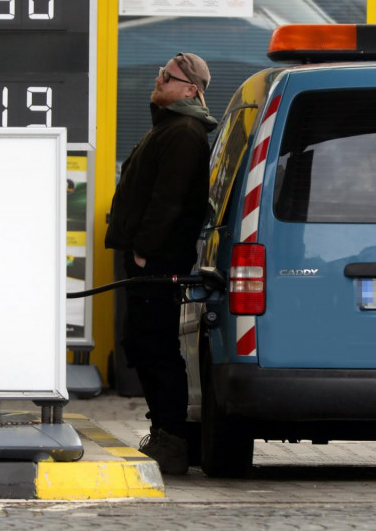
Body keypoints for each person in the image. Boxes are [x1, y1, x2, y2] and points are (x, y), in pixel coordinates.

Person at [105, 52, 217, 475]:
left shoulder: (184, 133)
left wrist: (144, 248)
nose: (158, 80)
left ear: (190, 89)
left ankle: (170, 441)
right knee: (145, 343)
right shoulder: (171, 127)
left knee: (155, 347)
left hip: (156, 259)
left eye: (166, 77)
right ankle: (167, 435)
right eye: (159, 73)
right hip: (150, 257)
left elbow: (169, 199)